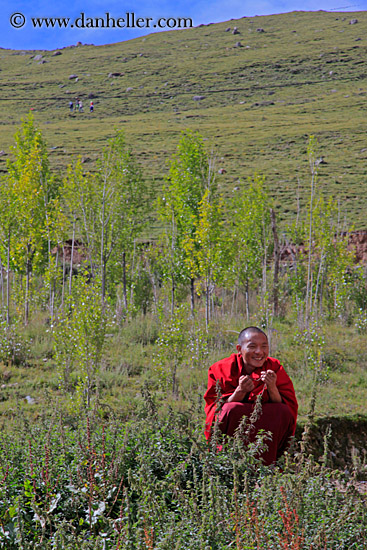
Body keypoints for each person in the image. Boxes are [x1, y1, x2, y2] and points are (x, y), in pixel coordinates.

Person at [204, 326, 298, 465]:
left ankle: (269, 465)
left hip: (266, 424)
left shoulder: (274, 367)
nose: (259, 352)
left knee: (281, 411)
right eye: (252, 346)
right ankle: (228, 462)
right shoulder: (221, 369)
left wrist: (272, 387)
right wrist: (240, 391)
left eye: (264, 346)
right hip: (234, 428)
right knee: (231, 409)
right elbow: (216, 409)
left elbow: (286, 406)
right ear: (239, 349)